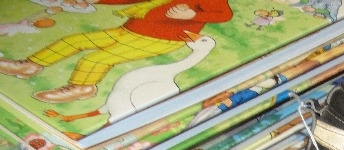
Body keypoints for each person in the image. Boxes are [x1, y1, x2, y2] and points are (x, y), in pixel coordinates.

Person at [0, 0, 233, 103]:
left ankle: (82, 88)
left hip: (162, 39)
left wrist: (193, 15)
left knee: (97, 58)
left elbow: (224, 14)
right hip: (129, 28)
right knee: (75, 40)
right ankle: (30, 65)